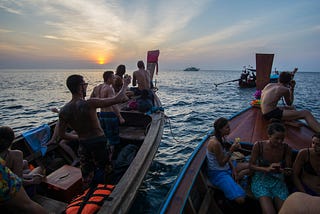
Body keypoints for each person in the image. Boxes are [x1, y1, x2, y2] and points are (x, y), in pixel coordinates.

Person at [57, 74, 130, 189]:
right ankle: (107, 193)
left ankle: (88, 195)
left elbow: (61, 135)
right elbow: (117, 99)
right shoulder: (90, 103)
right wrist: (125, 84)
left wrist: (79, 138)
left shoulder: (64, 110)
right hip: (99, 143)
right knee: (106, 170)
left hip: (83, 145)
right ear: (80, 87)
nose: (86, 87)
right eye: (85, 85)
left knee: (87, 175)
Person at [249, 121, 293, 214]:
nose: (280, 141)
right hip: (261, 180)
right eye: (277, 138)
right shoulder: (259, 146)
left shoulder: (286, 149)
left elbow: (288, 169)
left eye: (282, 138)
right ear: (269, 135)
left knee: (285, 211)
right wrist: (267, 169)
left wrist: (284, 171)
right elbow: (251, 165)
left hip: (278, 181)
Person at [207, 117, 249, 205]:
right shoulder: (215, 143)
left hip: (227, 167)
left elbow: (226, 157)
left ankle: (236, 177)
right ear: (220, 129)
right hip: (218, 173)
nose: (230, 129)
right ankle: (229, 184)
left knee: (251, 166)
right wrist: (232, 150)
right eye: (227, 127)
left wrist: (233, 169)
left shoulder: (221, 138)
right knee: (241, 199)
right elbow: (221, 163)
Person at [90, 71, 125, 161]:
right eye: (113, 78)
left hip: (101, 115)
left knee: (105, 137)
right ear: (109, 78)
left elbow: (91, 100)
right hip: (110, 116)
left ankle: (104, 157)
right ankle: (110, 160)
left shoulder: (97, 87)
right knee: (112, 139)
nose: (114, 80)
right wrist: (120, 117)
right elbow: (114, 104)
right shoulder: (109, 89)